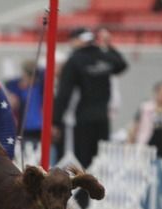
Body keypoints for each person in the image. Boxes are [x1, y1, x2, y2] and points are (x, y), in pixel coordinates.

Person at [53, 27, 128, 170]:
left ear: (78, 40)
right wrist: (108, 46)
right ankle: (96, 184)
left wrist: (56, 121)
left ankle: (83, 184)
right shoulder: (104, 56)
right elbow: (122, 65)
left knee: (83, 159)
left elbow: (64, 93)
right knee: (100, 159)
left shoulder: (75, 60)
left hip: (83, 117)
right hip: (102, 117)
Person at [5, 59, 45, 145]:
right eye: (28, 75)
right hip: (24, 127)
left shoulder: (40, 87)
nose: (31, 79)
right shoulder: (17, 87)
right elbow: (9, 85)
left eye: (33, 76)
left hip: (39, 127)